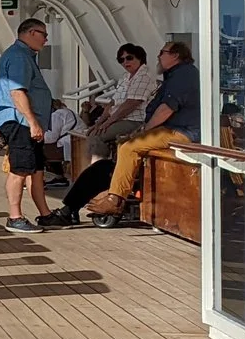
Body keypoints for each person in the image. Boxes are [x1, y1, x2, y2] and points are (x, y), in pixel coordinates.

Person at [82, 41, 199, 221]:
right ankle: (115, 190)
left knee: (129, 147)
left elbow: (166, 108)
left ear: (175, 55)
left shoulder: (183, 75)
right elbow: (114, 103)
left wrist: (145, 130)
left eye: (162, 52)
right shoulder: (176, 75)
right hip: (172, 128)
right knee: (124, 144)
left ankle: (115, 200)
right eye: (121, 59)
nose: (159, 56)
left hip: (182, 131)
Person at [0, 18, 54, 233]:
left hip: (27, 122)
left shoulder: (25, 56)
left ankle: (45, 214)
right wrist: (32, 122)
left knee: (36, 169)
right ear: (30, 33)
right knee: (20, 169)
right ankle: (15, 216)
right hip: (20, 122)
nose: (46, 40)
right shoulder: (19, 57)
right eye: (43, 34)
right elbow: (17, 92)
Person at [81, 42, 162, 170]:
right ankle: (88, 172)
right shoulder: (125, 77)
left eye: (129, 58)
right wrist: (99, 122)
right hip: (119, 119)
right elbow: (113, 103)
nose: (125, 62)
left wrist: (107, 124)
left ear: (139, 58)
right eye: (121, 59)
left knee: (97, 136)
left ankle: (99, 174)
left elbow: (131, 104)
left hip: (135, 120)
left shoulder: (144, 76)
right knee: (90, 133)